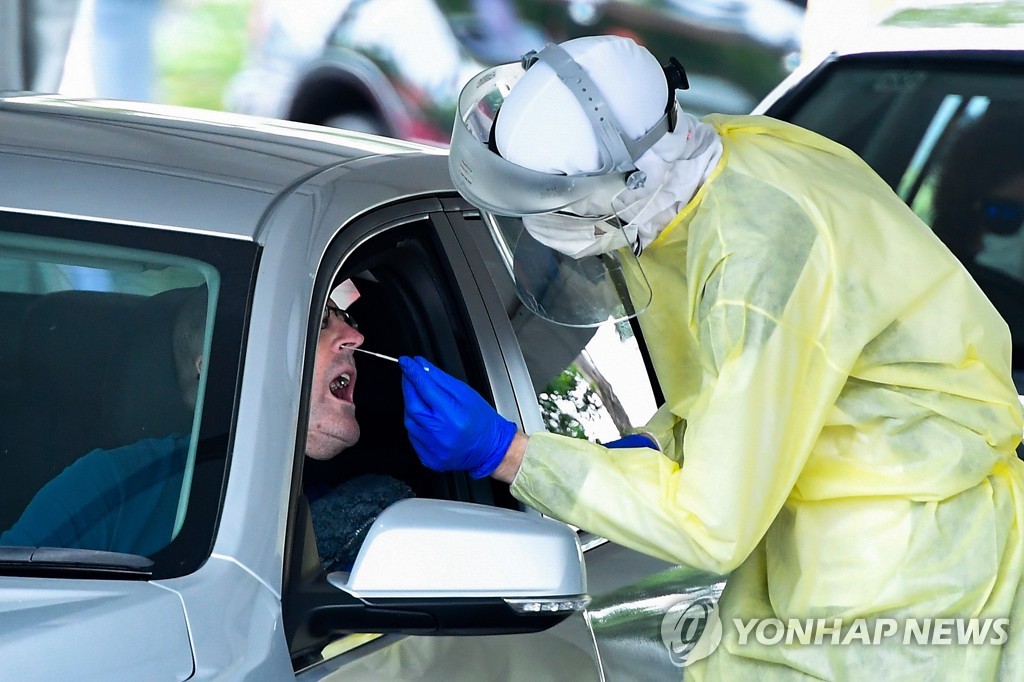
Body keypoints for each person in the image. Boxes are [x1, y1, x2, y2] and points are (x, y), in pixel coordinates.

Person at [399, 36, 1024, 679]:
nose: (545, 225)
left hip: (891, 586)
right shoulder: (718, 163)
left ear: (622, 184)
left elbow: (711, 524)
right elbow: (743, 378)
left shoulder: (758, 259)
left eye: (553, 203)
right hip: (851, 540)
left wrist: (506, 452)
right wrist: (667, 440)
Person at [1, 284, 411, 568]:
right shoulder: (113, 489)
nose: (356, 336)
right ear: (223, 369)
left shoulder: (358, 501)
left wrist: (480, 460)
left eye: (347, 318)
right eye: (319, 322)